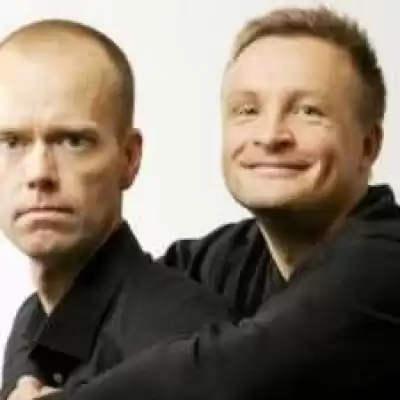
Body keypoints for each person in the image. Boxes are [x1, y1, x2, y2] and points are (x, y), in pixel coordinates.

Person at [4, 6, 400, 399]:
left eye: (308, 111)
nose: (270, 135)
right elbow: (91, 291)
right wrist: (26, 375)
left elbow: (228, 374)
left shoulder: (384, 264)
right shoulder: (229, 259)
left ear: (369, 145)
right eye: (248, 110)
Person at [0, 19, 233, 400]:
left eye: (73, 141)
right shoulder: (31, 320)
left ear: (129, 158)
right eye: (11, 142)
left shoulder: (186, 337)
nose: (39, 172)